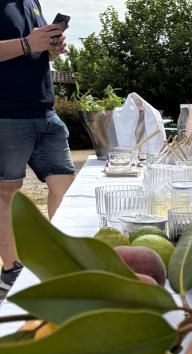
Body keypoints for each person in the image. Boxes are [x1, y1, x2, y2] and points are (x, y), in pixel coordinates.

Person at [0, 0, 75, 300]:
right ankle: (11, 270)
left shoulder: (32, 2)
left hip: (45, 111)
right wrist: (27, 43)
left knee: (66, 185)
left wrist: (51, 47)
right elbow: (26, 44)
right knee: (6, 191)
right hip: (6, 114)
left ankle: (59, 259)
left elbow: (35, 49)